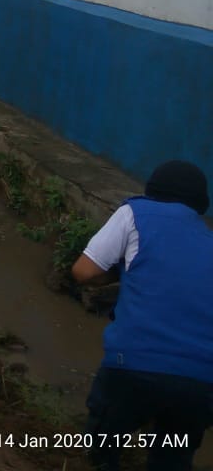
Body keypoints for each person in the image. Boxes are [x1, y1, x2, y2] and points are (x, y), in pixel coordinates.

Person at [72, 160, 213, 471]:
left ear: (152, 192)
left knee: (103, 447)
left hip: (132, 367)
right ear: (199, 205)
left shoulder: (136, 213)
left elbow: (83, 271)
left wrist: (123, 275)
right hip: (202, 381)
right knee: (172, 459)